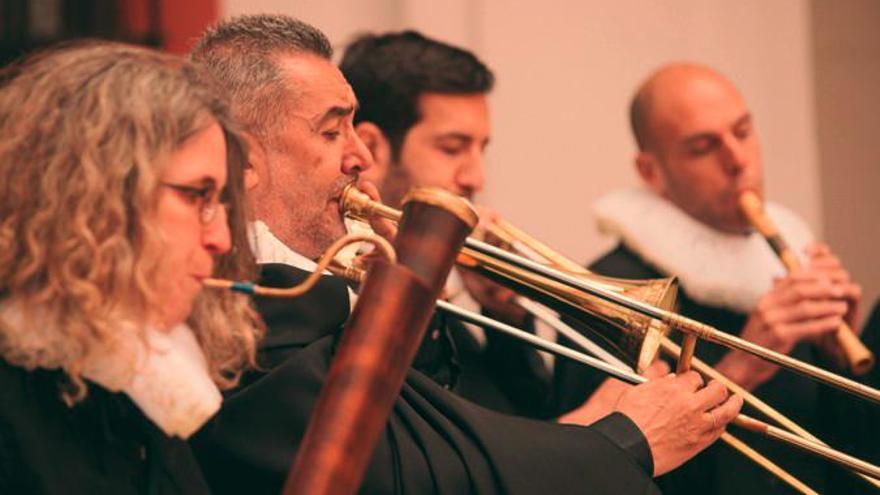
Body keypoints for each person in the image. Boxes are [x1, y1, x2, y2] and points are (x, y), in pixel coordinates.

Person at [188, 15, 741, 495]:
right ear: (243, 157)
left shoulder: (316, 290)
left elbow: (449, 431)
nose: (359, 157)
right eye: (333, 131)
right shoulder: (239, 306)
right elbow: (419, 475)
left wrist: (487, 317)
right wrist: (621, 439)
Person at [554, 62, 867, 494]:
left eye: (742, 132)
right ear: (650, 172)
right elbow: (594, 471)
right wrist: (745, 364)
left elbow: (837, 451)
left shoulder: (784, 262)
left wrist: (835, 364)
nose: (738, 161)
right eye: (703, 148)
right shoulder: (610, 291)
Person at [0, 41, 262, 494]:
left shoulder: (144, 383)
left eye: (220, 201)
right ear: (88, 192)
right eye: (197, 195)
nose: (221, 238)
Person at [339, 30, 553, 418]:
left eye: (481, 148)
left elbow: (524, 416)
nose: (476, 178)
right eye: (452, 148)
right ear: (371, 146)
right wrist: (603, 430)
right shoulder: (339, 283)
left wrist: (502, 315)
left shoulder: (454, 280)